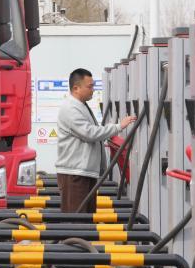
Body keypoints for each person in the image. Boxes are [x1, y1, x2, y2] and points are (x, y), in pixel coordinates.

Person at [55, 68, 136, 213]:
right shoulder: (70, 108)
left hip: (84, 173)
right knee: (76, 220)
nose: (93, 90)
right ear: (76, 88)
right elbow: (90, 133)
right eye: (90, 86)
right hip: (75, 175)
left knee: (87, 219)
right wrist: (118, 127)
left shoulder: (81, 106)